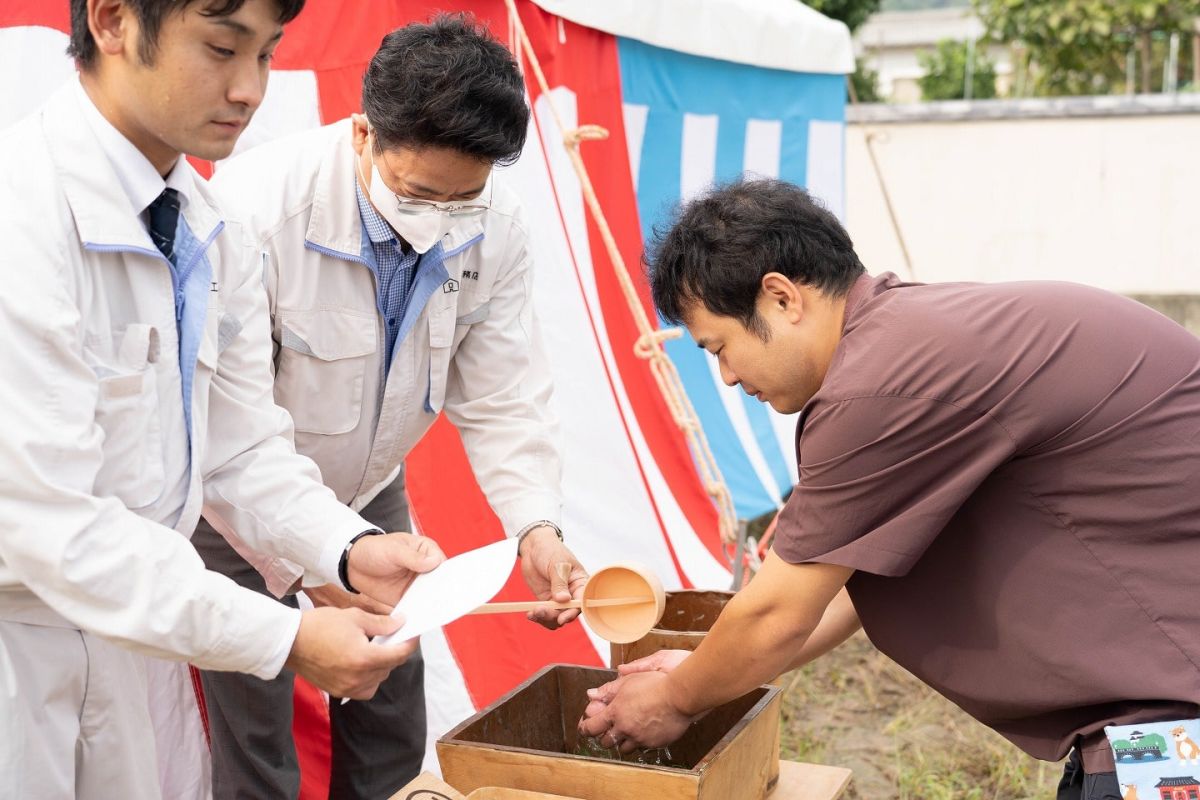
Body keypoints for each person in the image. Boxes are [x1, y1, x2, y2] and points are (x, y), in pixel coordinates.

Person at [578, 178, 1200, 800]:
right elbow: (848, 583)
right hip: (1158, 714)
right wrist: (701, 674)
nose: (730, 376)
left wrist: (673, 700)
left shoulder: (877, 385)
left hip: (1179, 723)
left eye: (721, 347)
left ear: (780, 298)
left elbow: (776, 613)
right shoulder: (908, 337)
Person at [0, 1, 451, 796]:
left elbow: (240, 445)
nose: (248, 89)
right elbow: (53, 526)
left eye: (269, 55)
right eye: (220, 48)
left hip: (138, 637)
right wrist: (285, 636)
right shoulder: (22, 217)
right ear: (111, 20)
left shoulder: (208, 223)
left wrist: (343, 548)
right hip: (19, 644)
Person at [194, 14, 588, 799]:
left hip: (371, 486)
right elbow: (229, 432)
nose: (437, 216)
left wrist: (536, 527)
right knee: (256, 709)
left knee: (391, 684)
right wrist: (326, 557)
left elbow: (506, 394)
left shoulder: (497, 226)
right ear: (363, 134)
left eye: (461, 198)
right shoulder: (253, 214)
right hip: (233, 503)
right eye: (417, 193)